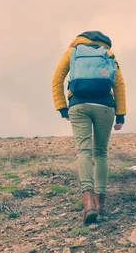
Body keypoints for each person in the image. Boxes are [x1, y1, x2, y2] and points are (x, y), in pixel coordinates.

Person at [52, 31, 126, 224]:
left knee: (83, 152)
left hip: (79, 105)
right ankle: (101, 204)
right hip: (105, 106)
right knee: (100, 153)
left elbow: (56, 79)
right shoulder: (108, 54)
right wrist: (121, 114)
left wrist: (62, 108)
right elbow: (119, 84)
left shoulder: (73, 51)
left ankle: (88, 203)